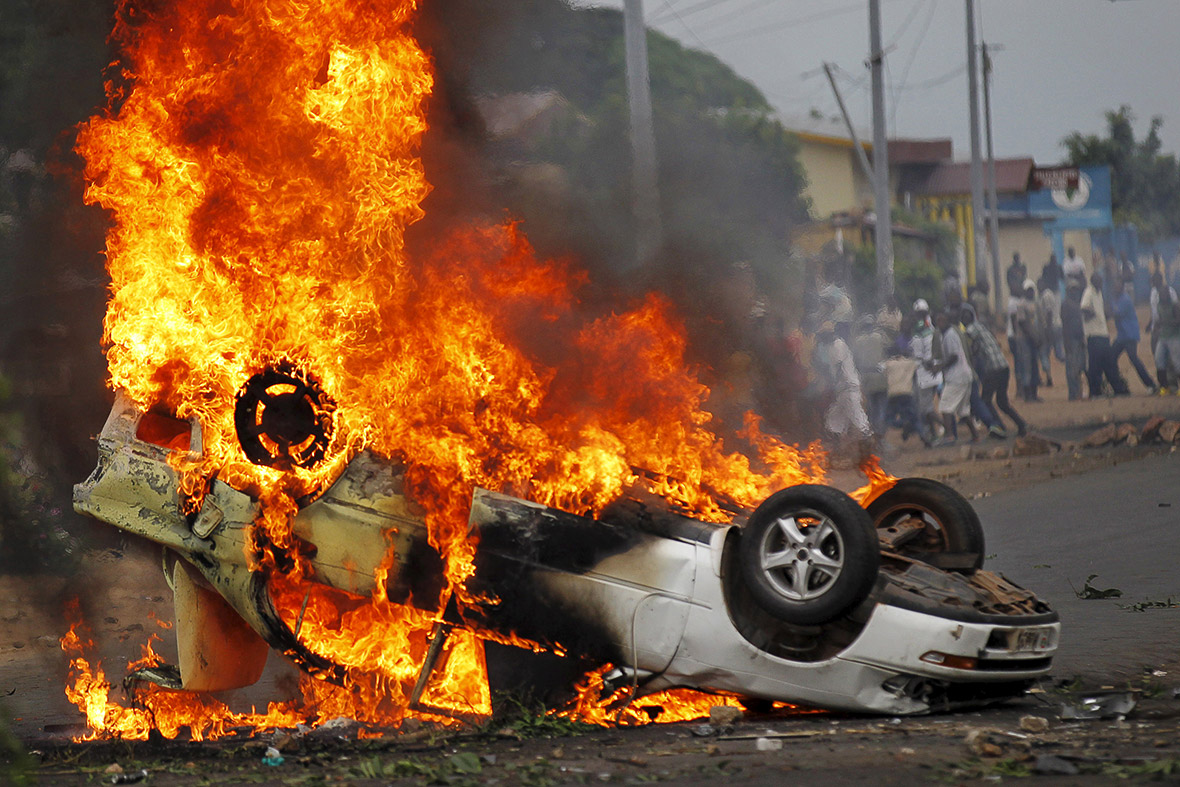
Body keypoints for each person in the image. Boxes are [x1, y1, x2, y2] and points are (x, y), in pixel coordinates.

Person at [961, 304, 1027, 437]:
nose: (964, 318)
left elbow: (967, 348)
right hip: (1003, 366)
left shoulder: (970, 329)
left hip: (993, 368)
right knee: (1002, 402)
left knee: (985, 400)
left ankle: (998, 427)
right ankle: (1020, 424)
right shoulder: (980, 326)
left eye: (965, 315)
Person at [812, 321, 872, 447]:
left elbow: (838, 368)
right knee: (833, 420)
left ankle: (870, 443)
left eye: (822, 336)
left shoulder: (838, 344)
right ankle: (837, 447)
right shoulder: (829, 346)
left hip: (848, 387)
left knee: (857, 417)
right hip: (842, 389)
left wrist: (831, 386)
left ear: (828, 334)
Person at [933, 309, 980, 445]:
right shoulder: (946, 334)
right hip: (963, 376)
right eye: (938, 321)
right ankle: (975, 435)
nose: (939, 323)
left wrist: (940, 366)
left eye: (942, 320)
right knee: (963, 410)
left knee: (945, 406)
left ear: (948, 321)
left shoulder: (950, 335)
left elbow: (954, 356)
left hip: (957, 377)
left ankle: (949, 436)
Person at [1081, 271, 1129, 397]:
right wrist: (1094, 315)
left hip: (1103, 334)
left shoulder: (1099, 293)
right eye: (1099, 281)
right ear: (1093, 281)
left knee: (1108, 363)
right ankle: (1095, 392)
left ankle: (1117, 389)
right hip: (1094, 335)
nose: (1101, 283)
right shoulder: (1089, 292)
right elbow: (1084, 308)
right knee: (1095, 366)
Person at [1109, 276, 1156, 392]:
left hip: (1129, 335)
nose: (1115, 288)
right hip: (1122, 335)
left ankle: (1151, 385)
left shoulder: (1125, 299)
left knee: (1133, 359)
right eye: (1114, 287)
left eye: (1118, 287)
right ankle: (1119, 386)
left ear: (1122, 288)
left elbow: (1116, 314)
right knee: (1111, 357)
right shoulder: (1116, 298)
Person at [909, 299, 943, 447]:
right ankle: (933, 434)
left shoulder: (920, 330)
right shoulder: (930, 328)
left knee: (926, 408)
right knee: (925, 407)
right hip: (932, 372)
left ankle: (947, 429)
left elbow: (922, 355)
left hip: (925, 373)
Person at [852, 315, 889, 436]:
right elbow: (889, 349)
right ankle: (880, 434)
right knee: (882, 407)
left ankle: (873, 433)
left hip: (867, 378)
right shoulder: (879, 336)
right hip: (880, 377)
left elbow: (855, 361)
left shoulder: (858, 341)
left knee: (871, 407)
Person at [1014, 279, 1043, 402]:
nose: (1031, 292)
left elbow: (1040, 321)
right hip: (1024, 339)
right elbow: (1022, 323)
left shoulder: (1036, 303)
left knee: (1034, 365)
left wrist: (1039, 336)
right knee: (1027, 366)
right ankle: (1027, 395)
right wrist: (1034, 336)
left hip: (1034, 339)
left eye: (1032, 290)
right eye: (1028, 290)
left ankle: (1034, 394)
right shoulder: (1021, 304)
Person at [1060, 281, 1088, 401]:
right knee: (1072, 368)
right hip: (1071, 340)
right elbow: (1065, 325)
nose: (1075, 292)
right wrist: (1066, 342)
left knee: (1079, 366)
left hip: (1079, 339)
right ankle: (1073, 393)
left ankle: (1078, 392)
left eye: (1076, 289)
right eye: (1073, 289)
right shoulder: (1066, 304)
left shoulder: (1078, 304)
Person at [1037, 277, 1064, 386]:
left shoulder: (1046, 295)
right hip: (1057, 326)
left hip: (1051, 327)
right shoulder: (1050, 294)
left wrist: (1048, 330)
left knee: (1044, 353)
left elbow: (1049, 313)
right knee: (1058, 354)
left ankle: (1048, 378)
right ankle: (1076, 368)